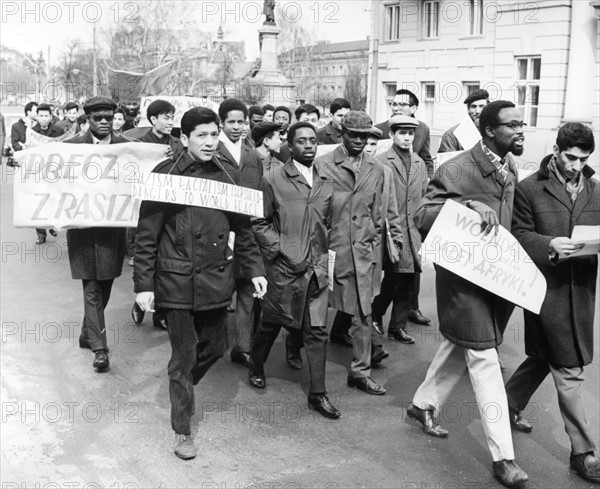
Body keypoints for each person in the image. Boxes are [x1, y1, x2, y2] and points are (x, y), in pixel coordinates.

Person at [134, 107, 267, 460]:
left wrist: (255, 269)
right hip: (175, 281)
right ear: (185, 139)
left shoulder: (226, 176)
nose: (210, 142)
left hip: (214, 278)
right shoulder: (165, 176)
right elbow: (146, 237)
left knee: (218, 344)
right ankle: (182, 430)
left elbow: (245, 229)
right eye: (202, 136)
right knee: (183, 355)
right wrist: (143, 285)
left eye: (214, 134)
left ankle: (180, 385)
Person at [407, 101, 528, 488]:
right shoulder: (457, 167)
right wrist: (468, 204)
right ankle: (503, 457)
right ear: (489, 131)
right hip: (463, 282)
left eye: (521, 124)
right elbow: (423, 214)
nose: (520, 131)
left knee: (462, 345)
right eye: (512, 125)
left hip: (498, 281)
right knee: (485, 358)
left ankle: (422, 404)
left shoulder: (509, 165)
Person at [505, 122, 600, 485]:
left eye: (583, 159)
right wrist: (549, 245)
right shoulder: (529, 189)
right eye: (570, 157)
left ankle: (506, 407)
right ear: (557, 150)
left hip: (582, 293)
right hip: (545, 291)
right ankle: (584, 452)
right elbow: (518, 235)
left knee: (546, 357)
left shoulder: (596, 190)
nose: (576, 165)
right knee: (569, 369)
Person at [249, 121, 340, 419]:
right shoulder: (273, 179)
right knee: (272, 321)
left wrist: (327, 259)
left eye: (313, 140)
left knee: (316, 330)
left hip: (316, 268)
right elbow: (259, 222)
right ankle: (256, 364)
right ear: (290, 145)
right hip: (284, 270)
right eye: (302, 141)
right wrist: (284, 250)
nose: (310, 145)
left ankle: (318, 393)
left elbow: (330, 222)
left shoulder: (327, 178)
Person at [315, 110, 387, 395]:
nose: (359, 140)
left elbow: (378, 214)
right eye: (353, 135)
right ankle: (295, 353)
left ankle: (360, 371)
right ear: (342, 133)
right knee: (315, 310)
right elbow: (314, 212)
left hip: (363, 251)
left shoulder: (377, 168)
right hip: (331, 249)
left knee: (363, 313)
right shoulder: (322, 164)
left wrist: (376, 255)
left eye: (364, 136)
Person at [63, 96, 129, 373]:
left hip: (113, 228)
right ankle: (100, 349)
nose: (103, 122)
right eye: (97, 118)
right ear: (86, 119)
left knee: (106, 284)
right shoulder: (68, 148)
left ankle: (87, 331)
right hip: (81, 229)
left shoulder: (129, 148)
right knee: (91, 286)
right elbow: (45, 173)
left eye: (108, 117)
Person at [214, 99, 265, 369]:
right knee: (220, 290)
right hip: (216, 230)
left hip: (245, 231)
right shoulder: (211, 150)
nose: (236, 127)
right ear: (221, 122)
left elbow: (258, 192)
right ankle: (212, 342)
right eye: (231, 122)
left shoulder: (253, 155)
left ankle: (242, 346)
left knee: (247, 289)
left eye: (241, 122)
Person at [371, 115, 428, 344]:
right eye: (402, 133)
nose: (407, 138)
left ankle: (398, 326)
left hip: (413, 229)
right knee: (396, 276)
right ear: (392, 135)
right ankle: (376, 312)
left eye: (411, 133)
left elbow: (424, 196)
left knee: (408, 278)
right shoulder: (382, 161)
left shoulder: (419, 163)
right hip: (392, 229)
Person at [130, 99, 185, 329]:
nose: (171, 121)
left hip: (170, 208)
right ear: (153, 120)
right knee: (146, 254)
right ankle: (140, 298)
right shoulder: (138, 144)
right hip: (144, 209)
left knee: (164, 259)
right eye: (166, 117)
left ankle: (160, 312)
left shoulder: (178, 145)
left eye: (173, 117)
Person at [375, 89, 434, 178]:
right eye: (394, 104)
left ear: (413, 108)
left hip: (412, 180)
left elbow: (426, 159)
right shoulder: (379, 129)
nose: (395, 108)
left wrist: (429, 179)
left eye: (402, 104)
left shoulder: (422, 128)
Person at [438, 89, 489, 153]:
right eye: (473, 107)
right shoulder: (453, 134)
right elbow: (447, 161)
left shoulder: (494, 131)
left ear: (488, 108)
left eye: (482, 106)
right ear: (468, 109)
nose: (477, 111)